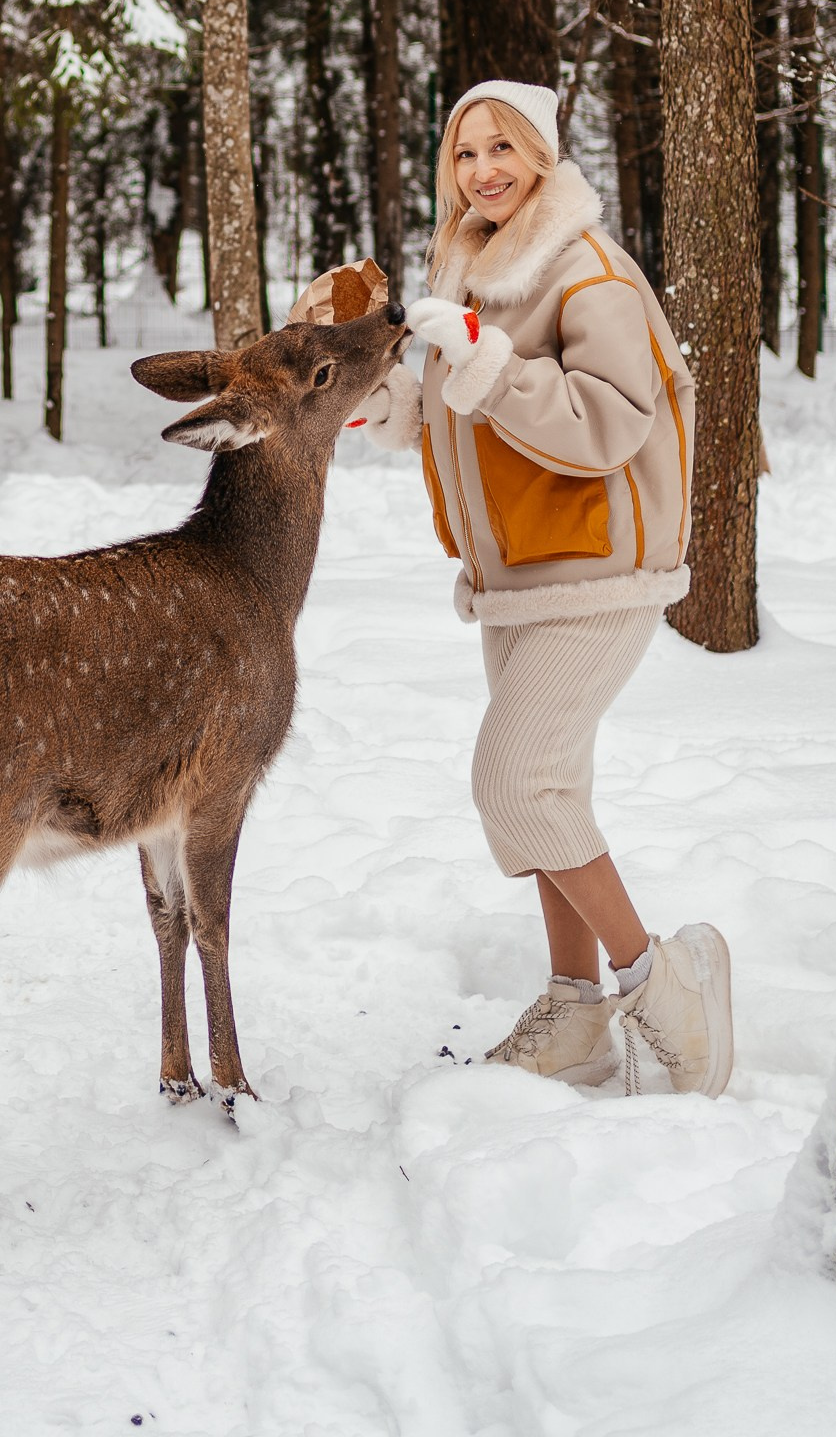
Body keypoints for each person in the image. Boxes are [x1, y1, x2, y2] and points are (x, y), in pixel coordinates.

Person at [293, 80, 732, 1096]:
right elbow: (437, 421)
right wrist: (352, 370)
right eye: (462, 153)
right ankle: (574, 1011)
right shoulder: (472, 269)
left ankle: (662, 988)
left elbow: (609, 422)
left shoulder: (585, 275)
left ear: (539, 154)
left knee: (515, 781)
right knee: (548, 794)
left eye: (501, 148)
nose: (481, 169)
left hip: (599, 572)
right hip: (518, 579)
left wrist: (484, 359)